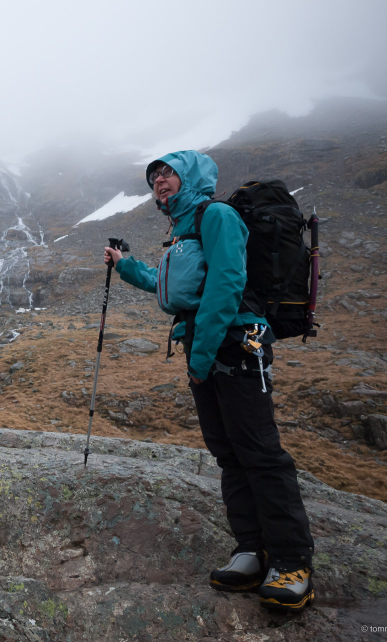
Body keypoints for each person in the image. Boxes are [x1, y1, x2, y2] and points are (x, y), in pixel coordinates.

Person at [103, 151, 315, 611]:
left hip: (236, 344)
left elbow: (227, 282)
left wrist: (201, 355)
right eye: (154, 176)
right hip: (206, 344)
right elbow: (171, 286)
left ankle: (292, 562)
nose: (159, 181)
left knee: (259, 452)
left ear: (191, 175)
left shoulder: (216, 215)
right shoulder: (182, 229)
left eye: (168, 172)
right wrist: (125, 264)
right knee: (228, 452)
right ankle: (250, 551)